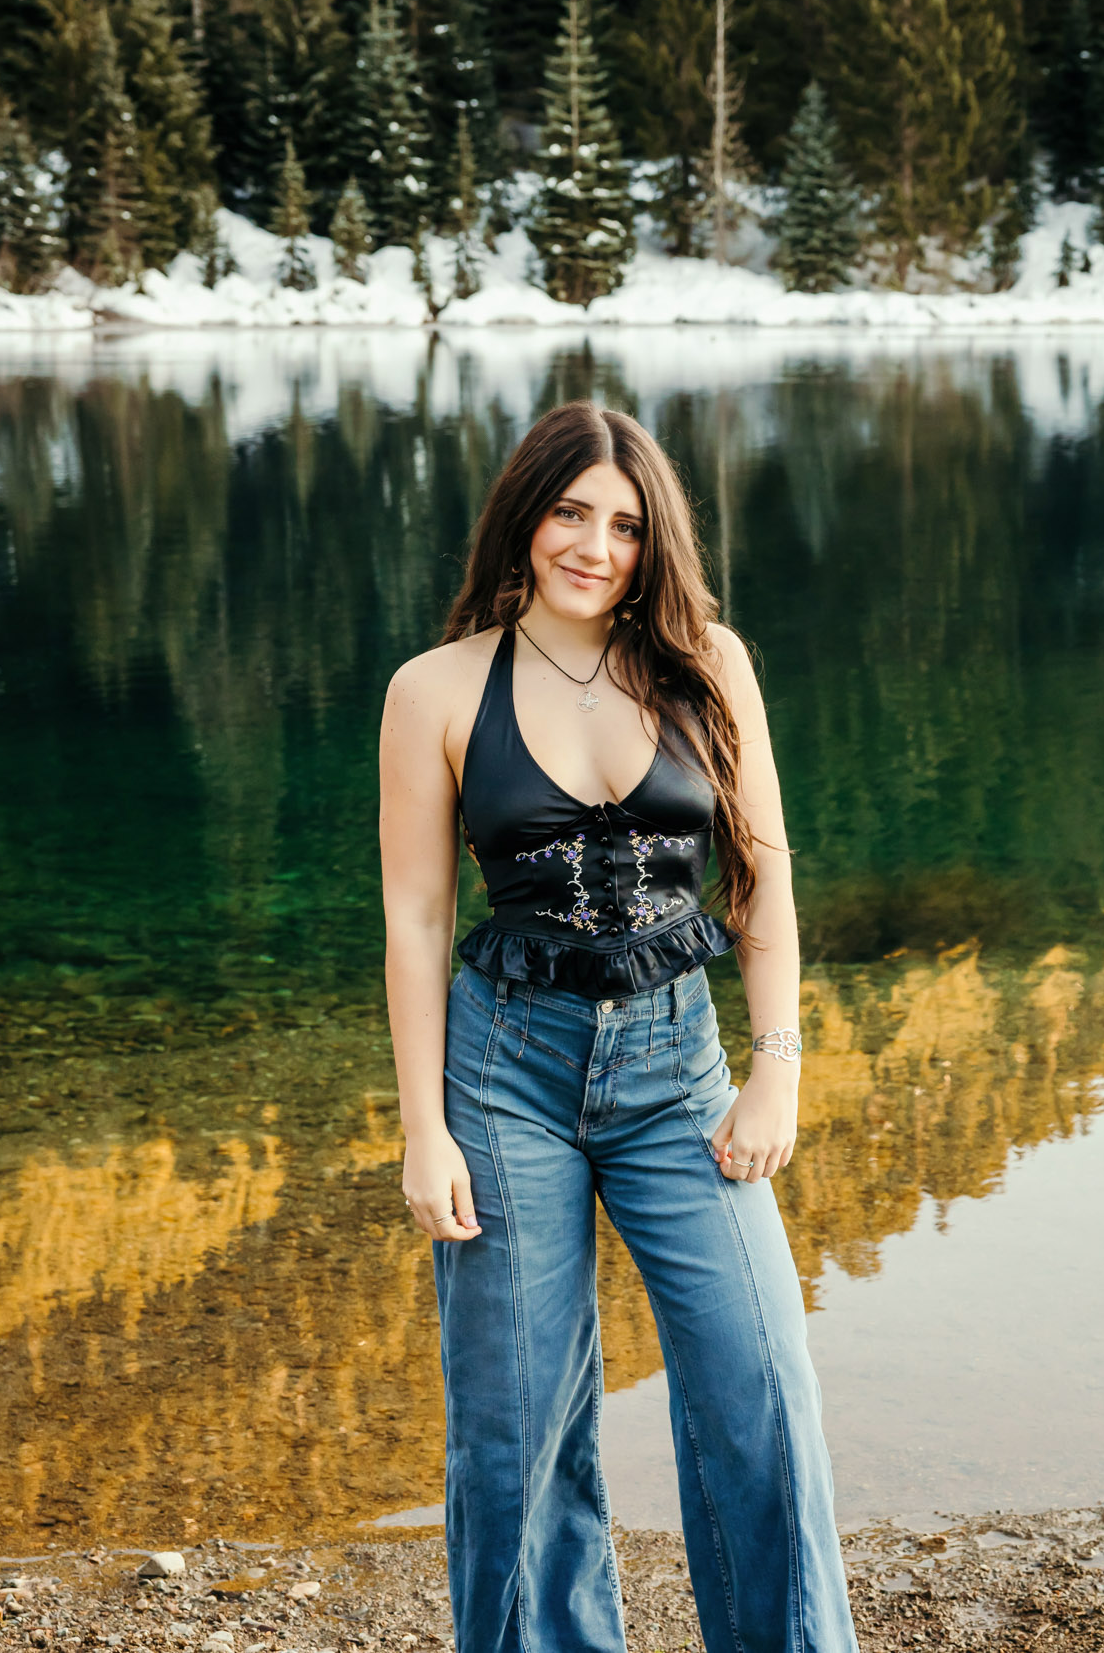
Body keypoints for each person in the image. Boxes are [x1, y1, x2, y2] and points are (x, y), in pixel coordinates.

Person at [378, 400, 857, 1653]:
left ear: (658, 542)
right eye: (572, 513)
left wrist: (777, 1072)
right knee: (514, 1427)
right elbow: (417, 922)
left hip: (677, 1067)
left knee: (760, 1386)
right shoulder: (435, 688)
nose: (597, 546)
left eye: (628, 525)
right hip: (501, 1077)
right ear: (525, 517)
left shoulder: (709, 662)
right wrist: (423, 1129)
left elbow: (761, 871)